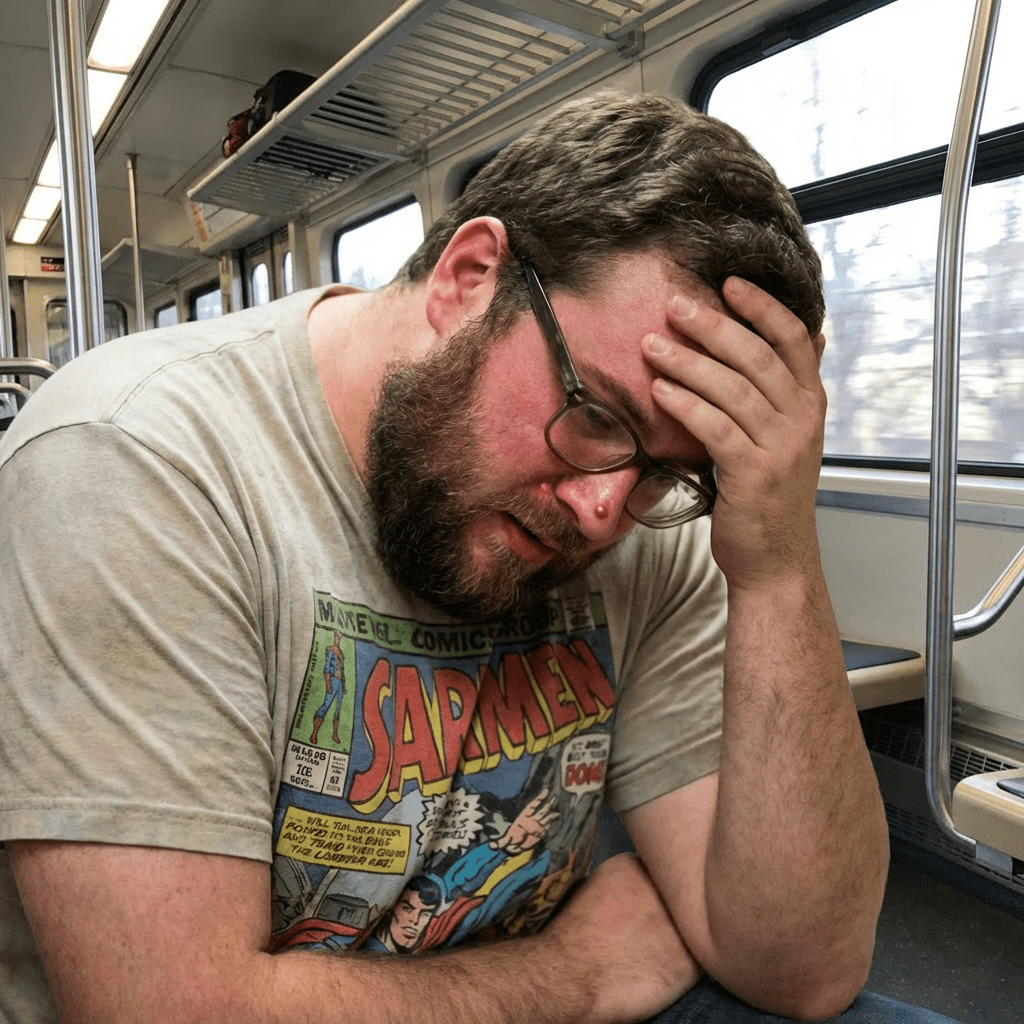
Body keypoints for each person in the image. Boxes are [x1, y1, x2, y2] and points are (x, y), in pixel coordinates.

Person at [0, 91, 961, 1024]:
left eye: (671, 475)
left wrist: (778, 566)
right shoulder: (135, 460)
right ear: (468, 278)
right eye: (594, 418)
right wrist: (574, 978)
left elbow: (803, 970)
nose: (601, 513)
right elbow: (168, 1009)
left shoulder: (637, 501)